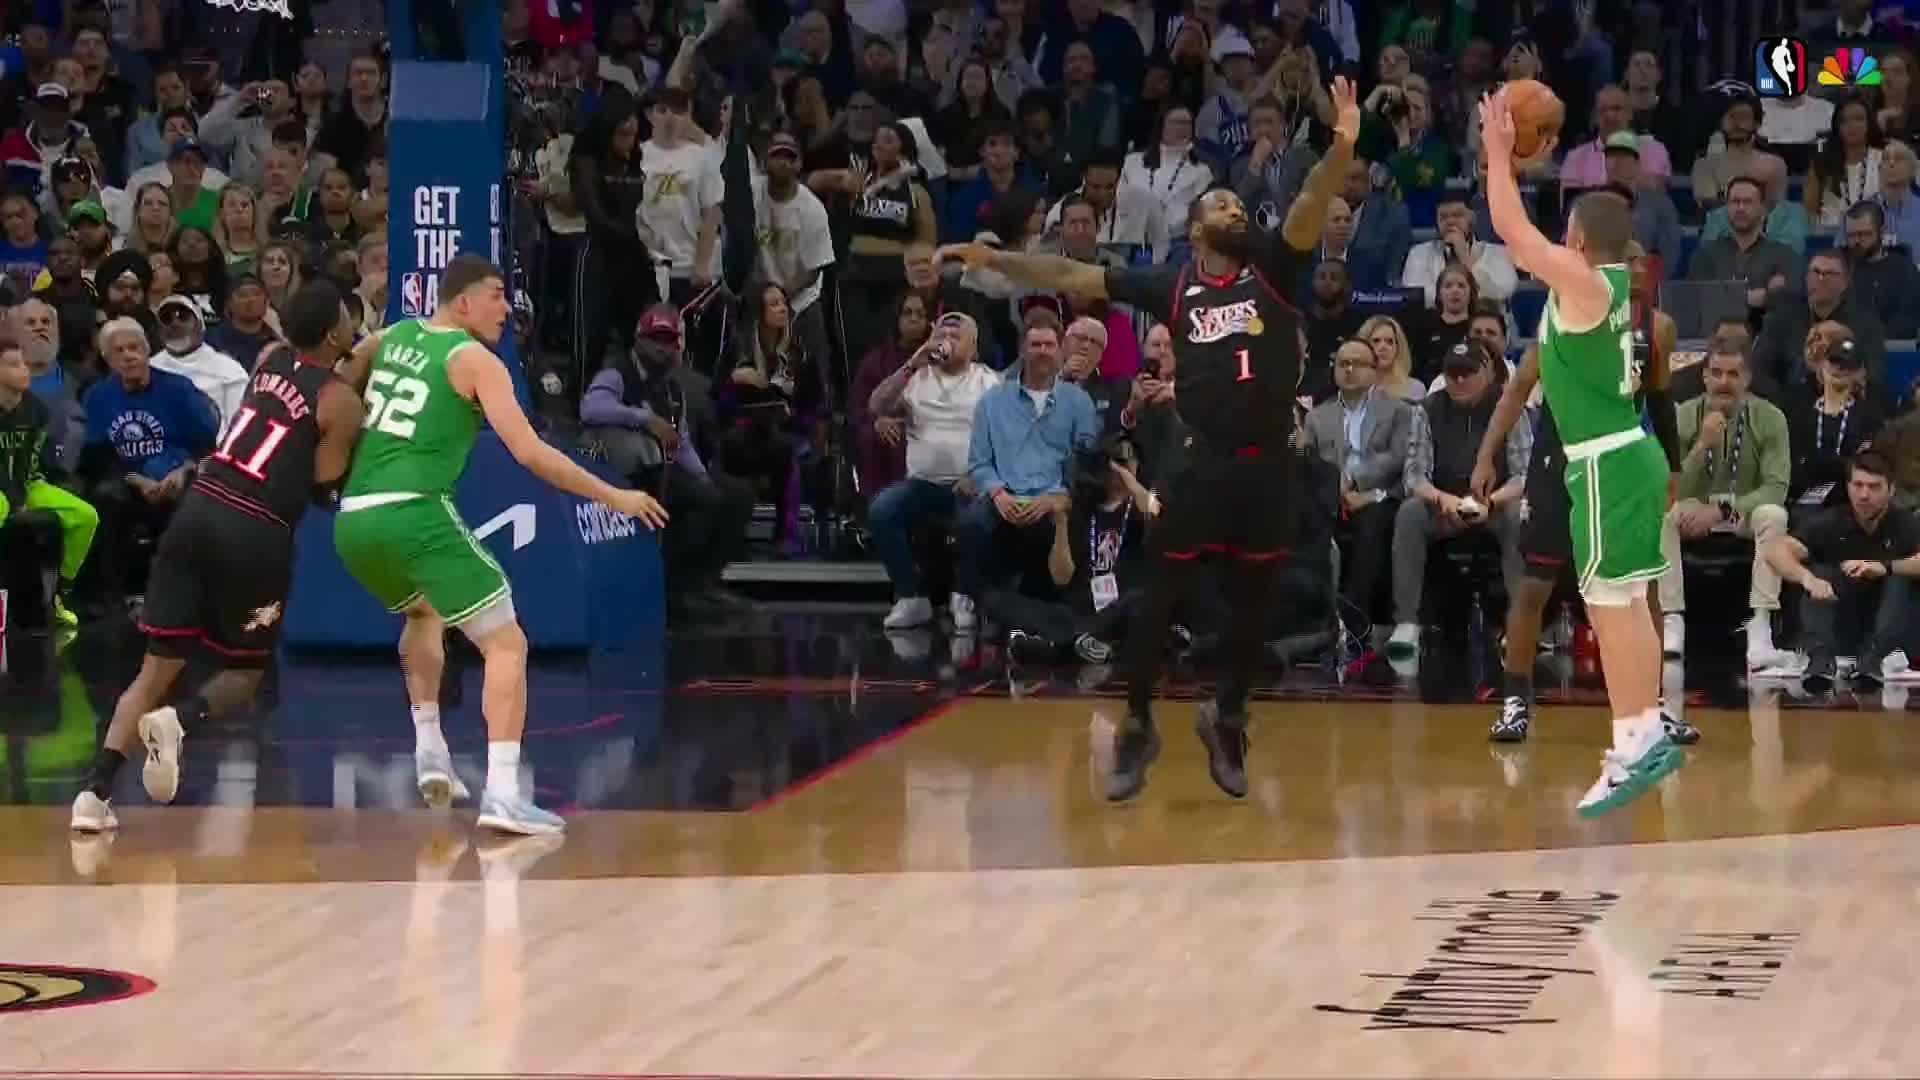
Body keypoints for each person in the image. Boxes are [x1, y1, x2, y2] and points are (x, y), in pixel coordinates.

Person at [937, 74, 1361, 803]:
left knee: (1255, 604)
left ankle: (1228, 717)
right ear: (1196, 229)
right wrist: (997, 262)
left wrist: (1343, 142)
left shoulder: (1273, 267)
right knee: (1158, 594)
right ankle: (1137, 725)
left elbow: (1311, 202)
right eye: (1220, 204)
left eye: (1237, 203)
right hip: (1203, 459)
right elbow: (1071, 271)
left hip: (1269, 465)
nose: (1234, 208)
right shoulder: (1172, 285)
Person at [332, 255, 668, 836]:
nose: (506, 308)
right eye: (495, 295)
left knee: (423, 612)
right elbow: (531, 454)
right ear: (463, 302)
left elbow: (339, 377)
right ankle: (505, 795)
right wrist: (615, 494)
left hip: (353, 519)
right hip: (414, 511)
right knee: (506, 643)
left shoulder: (393, 336)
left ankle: (430, 750)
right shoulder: (474, 360)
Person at [68, 281, 364, 834]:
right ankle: (180, 721)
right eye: (349, 319)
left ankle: (93, 795)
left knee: (154, 669)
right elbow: (324, 484)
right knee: (245, 671)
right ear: (332, 334)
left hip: (198, 510)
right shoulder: (341, 401)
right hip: (257, 533)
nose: (355, 326)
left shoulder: (269, 358)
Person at [1481, 85, 1682, 816]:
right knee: (1628, 602)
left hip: (1604, 461)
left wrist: (1497, 153)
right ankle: (1645, 732)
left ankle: (1633, 742)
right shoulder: (1621, 287)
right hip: (1633, 452)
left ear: (1574, 237)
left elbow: (1511, 231)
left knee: (1610, 605)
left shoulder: (1587, 285)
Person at [1765, 452, 1920, 692]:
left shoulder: (1906, 523)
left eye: (1874, 487)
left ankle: (1874, 659)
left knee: (1900, 578)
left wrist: (1885, 567)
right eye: (1858, 485)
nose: (1864, 495)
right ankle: (1820, 661)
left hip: (1890, 626)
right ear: (1848, 487)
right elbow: (1776, 550)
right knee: (1819, 573)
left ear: (1891, 490)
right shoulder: (1831, 520)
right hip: (1840, 619)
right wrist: (1808, 579)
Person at [0, 336, 94, 629]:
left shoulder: (36, 409)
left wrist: (21, 496)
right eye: (14, 364)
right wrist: (14, 500)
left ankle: (56, 593)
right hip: (3, 489)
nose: (24, 370)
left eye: (24, 363)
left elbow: (30, 459)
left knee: (84, 516)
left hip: (25, 483)